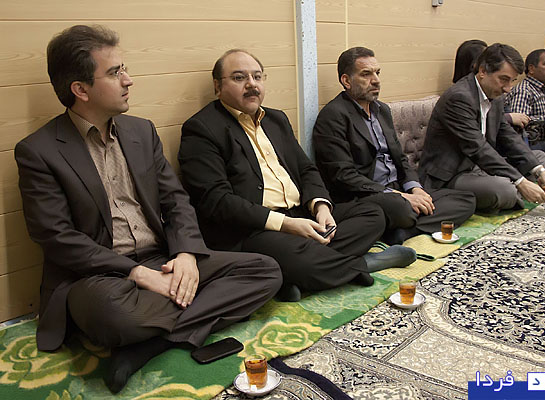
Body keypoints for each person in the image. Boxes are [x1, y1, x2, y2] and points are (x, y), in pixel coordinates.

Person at [14, 26, 283, 394]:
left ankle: (151, 344)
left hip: (163, 259)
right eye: (114, 73)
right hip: (100, 276)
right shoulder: (39, 151)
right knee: (113, 315)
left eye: (124, 69)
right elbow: (57, 238)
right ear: (80, 89)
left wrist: (186, 254)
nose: (129, 80)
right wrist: (136, 273)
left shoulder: (141, 131)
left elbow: (176, 201)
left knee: (265, 271)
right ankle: (177, 318)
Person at [178, 49, 416, 303]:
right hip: (254, 228)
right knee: (297, 256)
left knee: (372, 214)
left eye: (257, 77)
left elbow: (306, 170)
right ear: (218, 86)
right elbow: (217, 201)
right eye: (239, 78)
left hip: (300, 214)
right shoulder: (202, 129)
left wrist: (321, 207)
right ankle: (362, 264)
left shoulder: (276, 119)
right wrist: (286, 225)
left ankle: (293, 275)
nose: (251, 85)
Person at [313, 47, 476, 245]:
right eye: (366, 74)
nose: (376, 80)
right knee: (401, 208)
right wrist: (400, 196)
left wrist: (415, 189)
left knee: (466, 200)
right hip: (366, 194)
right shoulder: (333, 116)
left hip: (397, 188)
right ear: (346, 81)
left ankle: (403, 232)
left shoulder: (382, 110)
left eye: (377, 73)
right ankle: (406, 221)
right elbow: (344, 176)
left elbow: (400, 159)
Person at [418, 43, 545, 211]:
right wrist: (520, 181)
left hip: (482, 167)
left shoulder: (496, 95)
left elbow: (508, 136)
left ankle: (520, 185)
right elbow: (477, 148)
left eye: (512, 81)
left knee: (539, 159)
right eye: (504, 79)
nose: (508, 88)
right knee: (504, 190)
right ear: (483, 71)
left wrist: (539, 171)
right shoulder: (459, 98)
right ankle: (517, 189)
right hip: (454, 173)